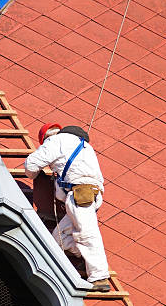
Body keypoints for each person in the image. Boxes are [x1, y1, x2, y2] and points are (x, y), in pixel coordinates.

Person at [24, 123, 111, 292]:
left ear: (46, 139)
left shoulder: (55, 141)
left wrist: (35, 175)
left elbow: (31, 165)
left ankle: (99, 277)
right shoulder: (83, 145)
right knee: (58, 239)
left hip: (79, 194)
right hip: (88, 195)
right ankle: (82, 256)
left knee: (87, 234)